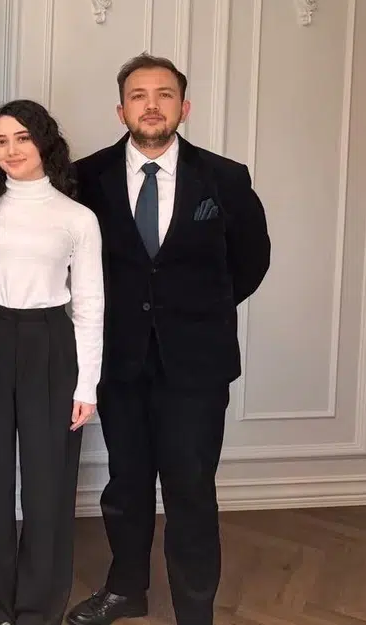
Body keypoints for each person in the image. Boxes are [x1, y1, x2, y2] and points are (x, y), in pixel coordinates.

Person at [65, 54, 270, 625]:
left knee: (191, 489)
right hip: (119, 361)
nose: (151, 105)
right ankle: (125, 590)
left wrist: (198, 311)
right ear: (121, 110)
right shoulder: (85, 178)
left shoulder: (225, 178)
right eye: (138, 95)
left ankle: (194, 610)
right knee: (125, 485)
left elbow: (251, 260)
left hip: (197, 366)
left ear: (185, 107)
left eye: (164, 95)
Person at [0, 99, 103, 625]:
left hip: (51, 344)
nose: (11, 150)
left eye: (22, 138)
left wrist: (87, 386)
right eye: (0, 141)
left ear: (44, 142)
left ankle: (38, 609)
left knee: (48, 485)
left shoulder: (77, 218)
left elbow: (89, 304)